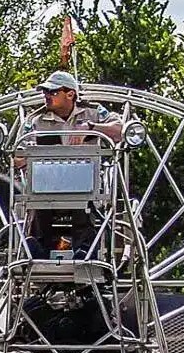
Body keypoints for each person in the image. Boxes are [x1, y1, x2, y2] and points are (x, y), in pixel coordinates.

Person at [18, 71, 124, 259]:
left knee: (82, 200)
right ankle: (37, 249)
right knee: (38, 200)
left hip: (84, 186)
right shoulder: (36, 120)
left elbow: (121, 131)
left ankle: (85, 251)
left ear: (70, 94)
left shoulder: (93, 112)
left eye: (53, 92)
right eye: (46, 92)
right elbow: (17, 156)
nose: (47, 97)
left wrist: (91, 128)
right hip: (47, 187)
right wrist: (28, 155)